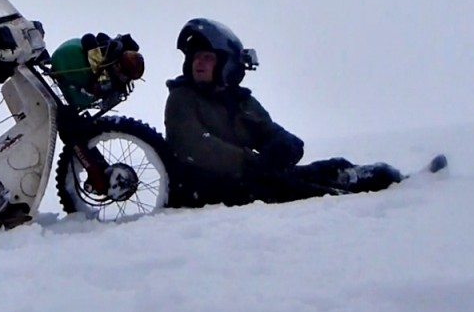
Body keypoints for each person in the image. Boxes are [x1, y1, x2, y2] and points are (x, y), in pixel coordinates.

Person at [165, 18, 406, 207]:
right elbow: (193, 146)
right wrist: (252, 163)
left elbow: (271, 132)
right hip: (206, 190)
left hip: (247, 180)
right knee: (304, 192)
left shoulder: (240, 101)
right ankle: (353, 197)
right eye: (196, 57)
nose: (200, 63)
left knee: (331, 168)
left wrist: (283, 146)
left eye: (207, 57)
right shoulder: (182, 98)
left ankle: (390, 180)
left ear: (225, 64)